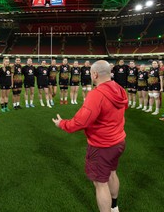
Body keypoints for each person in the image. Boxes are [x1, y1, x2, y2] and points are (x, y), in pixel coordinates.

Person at [52, 60, 127, 212]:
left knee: (101, 183)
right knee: (112, 173)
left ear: (94, 74)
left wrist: (62, 124)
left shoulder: (96, 94)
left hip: (102, 145)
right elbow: (124, 106)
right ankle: (114, 207)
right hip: (118, 141)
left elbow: (81, 121)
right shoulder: (119, 88)